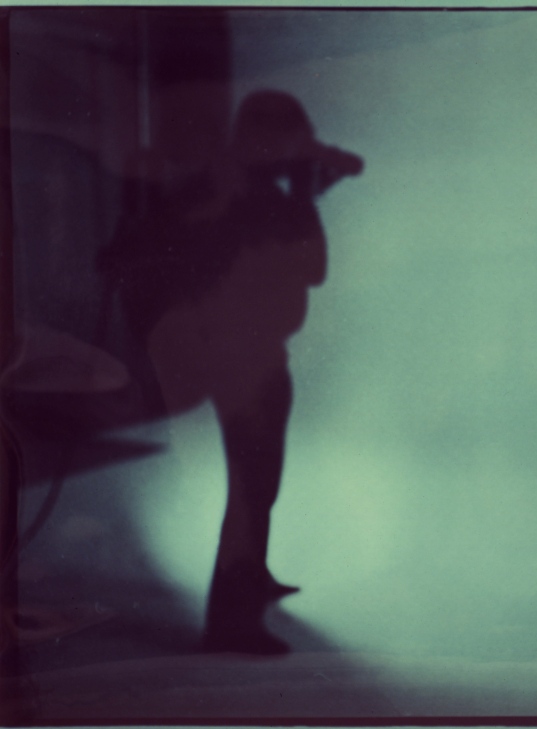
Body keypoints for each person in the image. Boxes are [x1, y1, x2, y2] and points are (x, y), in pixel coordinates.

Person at [100, 90, 364, 653]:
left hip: (250, 355)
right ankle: (232, 622)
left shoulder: (237, 188)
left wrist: (304, 186)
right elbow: (312, 265)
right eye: (289, 141)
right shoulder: (235, 193)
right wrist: (305, 193)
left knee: (260, 482)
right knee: (250, 487)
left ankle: (251, 581)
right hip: (238, 359)